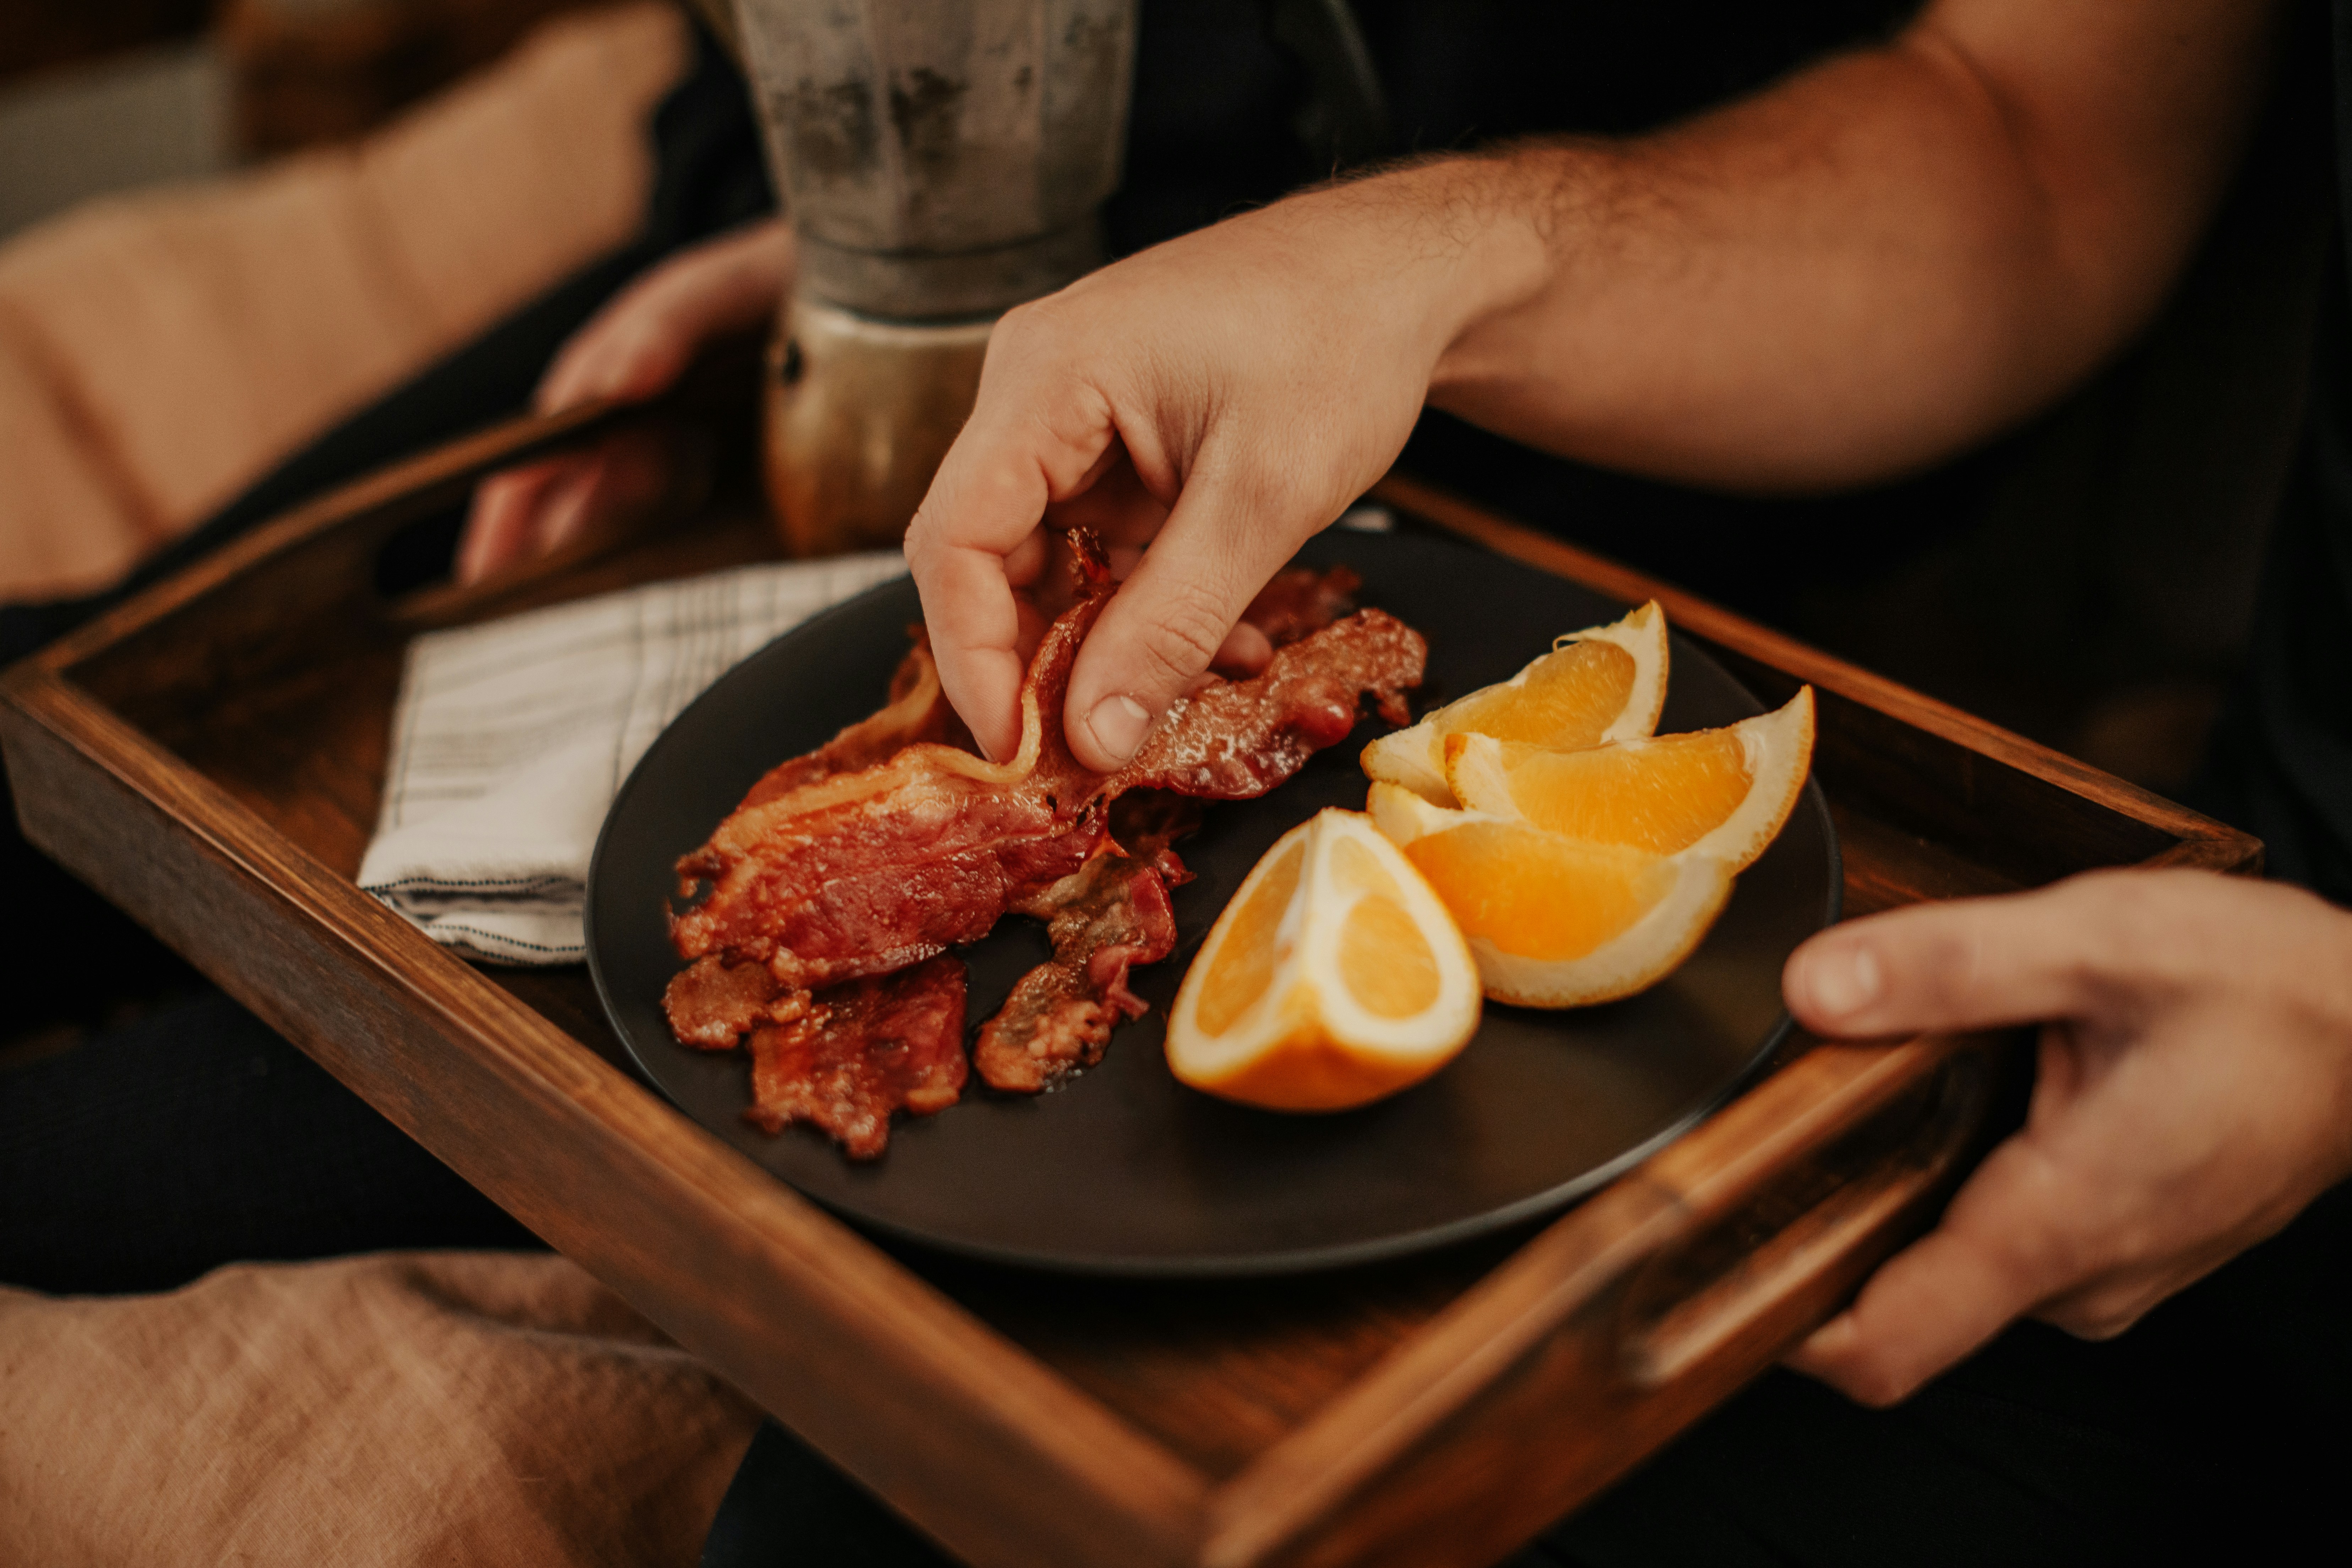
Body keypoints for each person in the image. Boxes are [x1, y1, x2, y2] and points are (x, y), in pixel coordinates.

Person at [463, 0, 2352, 1559]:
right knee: (185, 1139)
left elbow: (2044, 165)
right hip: (1112, 390)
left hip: (2211, 1109)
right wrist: (918, 226)